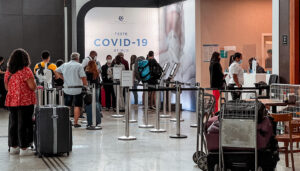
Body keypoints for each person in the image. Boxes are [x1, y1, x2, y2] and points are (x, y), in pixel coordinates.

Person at [5, 49, 37, 156]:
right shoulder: (26, 71)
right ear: (25, 59)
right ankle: (24, 148)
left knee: (14, 124)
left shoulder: (8, 71)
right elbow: (32, 87)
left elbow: (6, 87)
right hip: (25, 101)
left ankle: (14, 147)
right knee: (25, 124)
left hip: (12, 101)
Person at [55, 52, 88, 128]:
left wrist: (63, 78)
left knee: (67, 106)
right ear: (78, 58)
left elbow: (56, 71)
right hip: (77, 89)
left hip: (67, 89)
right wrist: (86, 85)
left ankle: (65, 122)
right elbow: (83, 77)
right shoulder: (79, 66)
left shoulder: (65, 65)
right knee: (77, 106)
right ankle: (75, 123)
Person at [85, 60, 102, 128]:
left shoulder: (87, 72)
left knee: (89, 103)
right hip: (97, 88)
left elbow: (86, 81)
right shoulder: (96, 72)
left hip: (90, 89)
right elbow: (98, 81)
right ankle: (97, 119)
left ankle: (91, 121)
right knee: (96, 102)